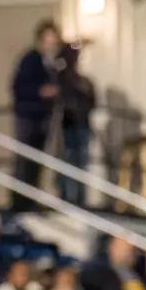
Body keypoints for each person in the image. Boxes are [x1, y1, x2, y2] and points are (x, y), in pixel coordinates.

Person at [9, 20, 61, 210]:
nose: (53, 42)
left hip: (42, 119)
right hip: (28, 117)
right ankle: (20, 202)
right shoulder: (31, 59)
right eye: (49, 38)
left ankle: (31, 199)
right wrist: (40, 91)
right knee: (25, 160)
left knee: (36, 162)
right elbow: (18, 87)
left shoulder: (51, 63)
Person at [55, 40, 96, 205]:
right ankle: (66, 196)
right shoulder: (62, 80)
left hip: (81, 126)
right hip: (67, 126)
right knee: (67, 161)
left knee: (81, 162)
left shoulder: (84, 82)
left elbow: (92, 102)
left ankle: (80, 198)